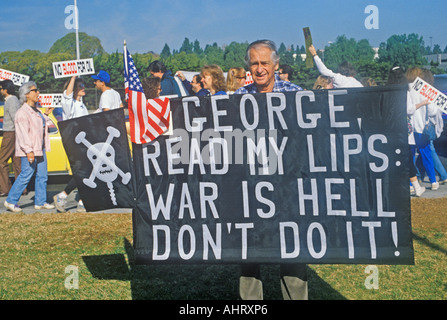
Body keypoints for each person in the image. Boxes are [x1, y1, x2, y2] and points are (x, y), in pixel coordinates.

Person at [234, 40, 306, 300]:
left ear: (276, 64)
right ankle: (251, 303)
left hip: (288, 186)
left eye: (265, 62)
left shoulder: (297, 94)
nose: (260, 68)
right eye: (254, 63)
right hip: (251, 185)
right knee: (249, 246)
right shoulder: (239, 99)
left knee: (293, 244)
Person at [4, 81, 55, 212]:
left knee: (42, 175)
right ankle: (10, 201)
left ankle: (40, 201)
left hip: (40, 148)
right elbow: (22, 134)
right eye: (35, 90)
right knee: (26, 174)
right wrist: (29, 151)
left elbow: (39, 126)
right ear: (27, 94)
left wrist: (46, 115)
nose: (38, 93)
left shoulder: (37, 111)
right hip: (30, 150)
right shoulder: (22, 113)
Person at [386, 66, 425, 196]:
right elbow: (409, 110)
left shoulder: (387, 91)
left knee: (393, 159)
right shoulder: (404, 91)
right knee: (407, 158)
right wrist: (422, 103)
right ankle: (416, 187)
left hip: (390, 129)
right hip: (404, 129)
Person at [53, 76, 89, 213]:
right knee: (83, 172)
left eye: (83, 85)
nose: (83, 87)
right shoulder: (69, 104)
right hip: (74, 142)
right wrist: (73, 75)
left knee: (85, 171)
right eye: (80, 86)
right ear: (73, 89)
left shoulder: (82, 105)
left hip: (83, 142)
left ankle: (81, 201)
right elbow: (67, 96)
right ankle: (63, 196)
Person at [406, 67, 439, 191]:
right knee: (426, 155)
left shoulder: (406, 89)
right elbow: (432, 112)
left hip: (409, 129)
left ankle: (411, 184)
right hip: (421, 128)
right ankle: (433, 181)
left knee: (411, 157)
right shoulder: (424, 90)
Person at [415, 68, 447, 185]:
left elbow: (433, 111)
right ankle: (418, 175)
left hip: (426, 126)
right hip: (430, 125)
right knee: (424, 150)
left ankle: (443, 175)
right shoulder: (430, 91)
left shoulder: (426, 91)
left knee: (429, 151)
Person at [0, 80, 22, 197]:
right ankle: (20, 189)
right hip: (14, 133)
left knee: (2, 161)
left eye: (1, 88)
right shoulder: (12, 100)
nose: (0, 91)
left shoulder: (12, 100)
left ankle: (5, 188)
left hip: (11, 133)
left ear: (6, 89)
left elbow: (15, 118)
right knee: (16, 161)